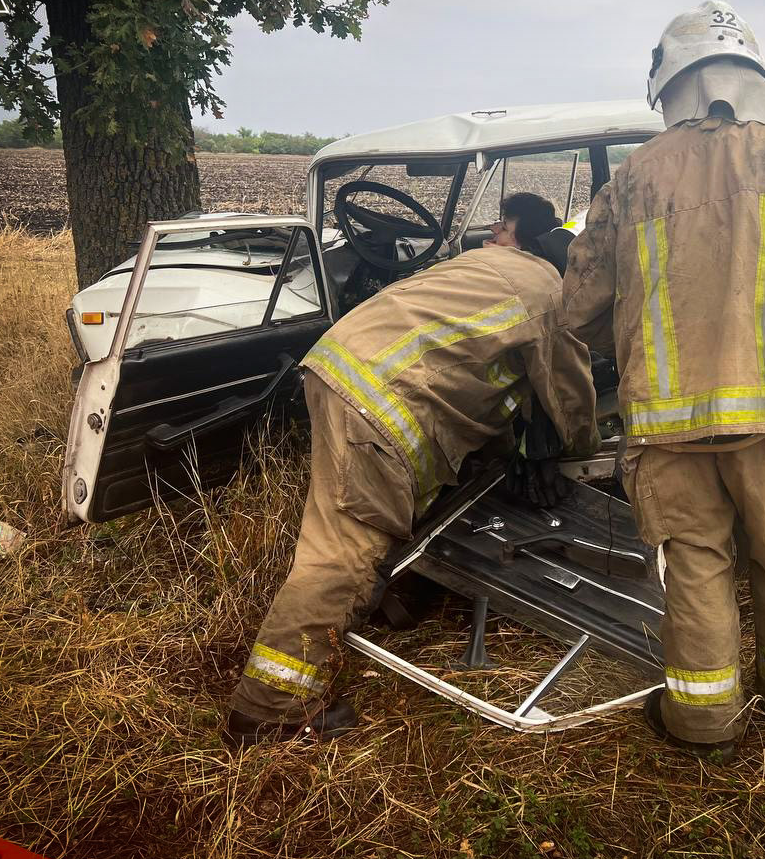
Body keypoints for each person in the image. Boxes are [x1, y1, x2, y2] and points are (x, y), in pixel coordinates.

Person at [564, 1, 765, 762]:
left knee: (697, 568)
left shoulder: (634, 178)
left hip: (667, 431)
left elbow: (579, 303)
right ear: (750, 75)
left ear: (671, 83)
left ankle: (706, 725)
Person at [227, 192, 599, 747]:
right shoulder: (547, 292)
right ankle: (269, 711)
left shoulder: (476, 263)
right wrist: (579, 447)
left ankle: (387, 591)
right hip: (380, 403)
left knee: (363, 514)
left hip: (335, 368)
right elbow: (570, 398)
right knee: (342, 551)